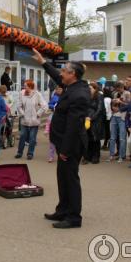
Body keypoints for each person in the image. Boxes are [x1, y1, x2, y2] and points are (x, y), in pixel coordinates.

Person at [32, 49, 89, 229]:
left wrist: (65, 150)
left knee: (70, 179)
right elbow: (57, 77)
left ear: (72, 74)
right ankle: (63, 210)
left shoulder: (79, 94)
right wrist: (42, 62)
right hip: (63, 143)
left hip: (70, 145)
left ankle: (73, 218)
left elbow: (74, 127)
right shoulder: (72, 86)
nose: (61, 73)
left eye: (64, 70)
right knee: (62, 177)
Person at [16, 80, 47, 160]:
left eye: (26, 86)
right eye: (24, 85)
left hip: (34, 120)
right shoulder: (21, 93)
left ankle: (30, 154)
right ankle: (19, 152)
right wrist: (22, 114)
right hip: (24, 120)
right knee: (22, 136)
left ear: (31, 87)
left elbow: (44, 106)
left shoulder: (37, 94)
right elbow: (18, 105)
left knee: (32, 138)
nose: (24, 87)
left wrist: (38, 114)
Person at [108, 82, 131, 162]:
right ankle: (111, 155)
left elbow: (129, 105)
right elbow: (112, 104)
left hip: (123, 117)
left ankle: (122, 156)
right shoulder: (115, 93)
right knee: (112, 137)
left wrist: (121, 102)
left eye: (119, 88)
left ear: (122, 87)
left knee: (122, 138)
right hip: (114, 116)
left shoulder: (127, 93)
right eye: (117, 89)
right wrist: (113, 105)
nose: (118, 90)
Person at [84, 82, 104, 164]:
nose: (89, 90)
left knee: (95, 139)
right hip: (86, 119)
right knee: (87, 139)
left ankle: (96, 156)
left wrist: (91, 118)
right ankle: (87, 156)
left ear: (95, 89)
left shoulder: (99, 96)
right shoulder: (86, 96)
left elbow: (99, 109)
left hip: (96, 120)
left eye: (90, 88)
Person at [46, 86, 63, 162]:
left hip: (62, 120)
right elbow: (49, 104)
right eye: (58, 89)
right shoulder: (54, 97)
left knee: (61, 142)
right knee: (52, 142)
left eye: (60, 89)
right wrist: (54, 106)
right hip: (54, 117)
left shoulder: (65, 97)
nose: (59, 90)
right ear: (56, 90)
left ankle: (61, 155)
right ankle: (51, 156)